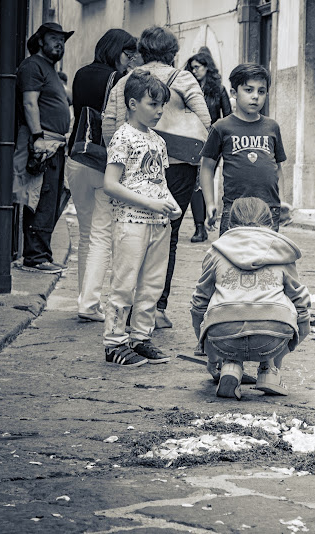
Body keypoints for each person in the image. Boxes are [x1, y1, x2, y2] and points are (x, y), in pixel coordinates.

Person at [103, 26, 211, 329]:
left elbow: (109, 121)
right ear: (172, 52)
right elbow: (205, 123)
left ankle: (131, 313)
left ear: (142, 51)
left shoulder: (127, 80)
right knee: (168, 236)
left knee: (130, 240)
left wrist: (119, 158)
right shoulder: (184, 78)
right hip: (178, 166)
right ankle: (156, 309)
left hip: (132, 168)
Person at [190, 197, 311, 400]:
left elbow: (199, 303)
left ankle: (230, 366)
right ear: (270, 222)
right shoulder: (281, 252)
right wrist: (300, 332)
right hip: (272, 337)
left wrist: (209, 353)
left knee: (217, 303)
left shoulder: (216, 252)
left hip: (223, 337)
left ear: (230, 223)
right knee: (285, 302)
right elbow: (300, 300)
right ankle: (269, 370)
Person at [102, 70, 181, 367]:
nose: (159, 110)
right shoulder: (122, 136)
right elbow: (111, 184)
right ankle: (114, 342)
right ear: (133, 104)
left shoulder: (159, 142)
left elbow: (159, 181)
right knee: (124, 283)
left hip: (159, 224)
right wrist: (149, 202)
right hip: (130, 222)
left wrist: (172, 205)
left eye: (162, 105)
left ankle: (141, 337)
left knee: (152, 284)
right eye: (153, 104)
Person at [68, 29, 139, 322]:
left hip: (77, 157)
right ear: (115, 51)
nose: (128, 60)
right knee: (100, 236)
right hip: (103, 161)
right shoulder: (117, 80)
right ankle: (89, 304)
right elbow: (118, 122)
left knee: (86, 234)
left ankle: (86, 299)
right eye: (126, 54)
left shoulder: (80, 73)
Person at [13, 22, 75, 274]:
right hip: (42, 142)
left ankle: (42, 254)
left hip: (54, 144)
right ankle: (35, 257)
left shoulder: (48, 68)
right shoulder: (32, 66)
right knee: (40, 199)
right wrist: (38, 137)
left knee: (51, 199)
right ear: (40, 40)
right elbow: (30, 104)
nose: (59, 43)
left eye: (62, 40)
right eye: (53, 38)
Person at [199, 63, 287, 235]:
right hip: (235, 209)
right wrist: (210, 204)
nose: (255, 96)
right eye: (248, 90)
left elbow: (278, 168)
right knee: (233, 257)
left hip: (269, 209)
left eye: (261, 91)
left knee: (266, 256)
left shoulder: (272, 127)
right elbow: (207, 168)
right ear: (234, 93)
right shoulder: (221, 127)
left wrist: (282, 202)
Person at [184, 51, 232, 243]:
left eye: (198, 67)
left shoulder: (218, 89)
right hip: (191, 138)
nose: (194, 71)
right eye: (192, 67)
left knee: (203, 178)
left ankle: (203, 223)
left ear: (207, 67)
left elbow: (227, 115)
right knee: (195, 182)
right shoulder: (187, 89)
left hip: (212, 141)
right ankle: (199, 227)